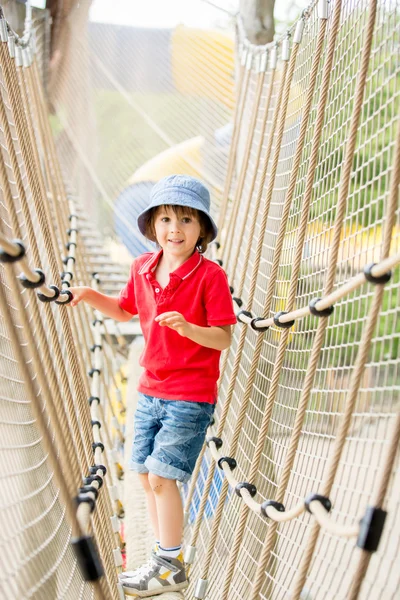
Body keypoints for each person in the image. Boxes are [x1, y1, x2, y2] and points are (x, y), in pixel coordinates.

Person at [69, 174, 237, 597]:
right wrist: (90, 294)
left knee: (163, 477)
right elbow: (124, 311)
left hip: (189, 395)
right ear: (151, 226)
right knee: (145, 476)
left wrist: (188, 328)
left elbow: (222, 337)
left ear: (201, 229)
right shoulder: (142, 267)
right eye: (165, 219)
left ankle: (169, 564)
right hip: (149, 389)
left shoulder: (209, 276)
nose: (174, 229)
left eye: (185, 219)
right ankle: (165, 556)